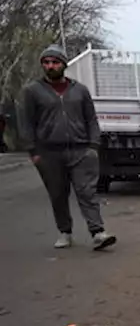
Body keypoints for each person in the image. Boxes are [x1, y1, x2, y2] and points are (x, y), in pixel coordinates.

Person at [18, 44, 116, 250]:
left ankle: (98, 232)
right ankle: (65, 232)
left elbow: (91, 119)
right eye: (46, 63)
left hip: (81, 150)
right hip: (49, 152)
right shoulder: (32, 91)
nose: (50, 66)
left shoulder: (80, 90)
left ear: (63, 64)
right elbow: (26, 122)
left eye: (55, 62)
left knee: (87, 191)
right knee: (58, 193)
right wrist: (33, 151)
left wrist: (93, 146)